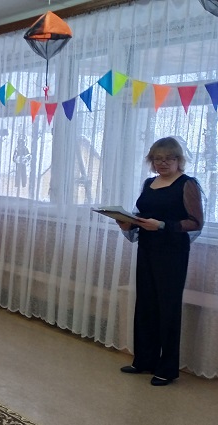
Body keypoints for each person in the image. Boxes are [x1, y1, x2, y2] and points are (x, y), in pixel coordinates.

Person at [116, 137, 204, 387]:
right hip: (147, 249)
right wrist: (127, 222)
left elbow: (196, 222)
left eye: (168, 158)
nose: (163, 163)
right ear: (151, 161)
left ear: (178, 160)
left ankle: (167, 369)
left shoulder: (187, 184)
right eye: (157, 158)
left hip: (172, 253)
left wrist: (163, 225)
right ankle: (144, 360)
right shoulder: (149, 183)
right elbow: (142, 216)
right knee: (146, 305)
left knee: (168, 308)